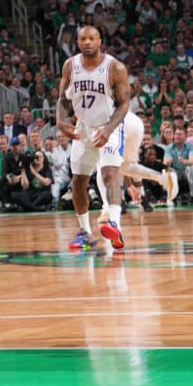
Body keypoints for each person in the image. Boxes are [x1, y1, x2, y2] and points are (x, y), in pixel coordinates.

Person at [58, 25, 132, 252]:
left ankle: (114, 225)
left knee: (109, 173)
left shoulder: (115, 67)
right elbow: (63, 99)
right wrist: (61, 122)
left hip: (108, 127)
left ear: (100, 41)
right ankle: (85, 232)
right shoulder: (70, 65)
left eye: (92, 38)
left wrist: (109, 129)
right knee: (78, 181)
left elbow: (124, 104)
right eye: (83, 39)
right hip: (83, 128)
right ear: (77, 42)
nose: (87, 42)